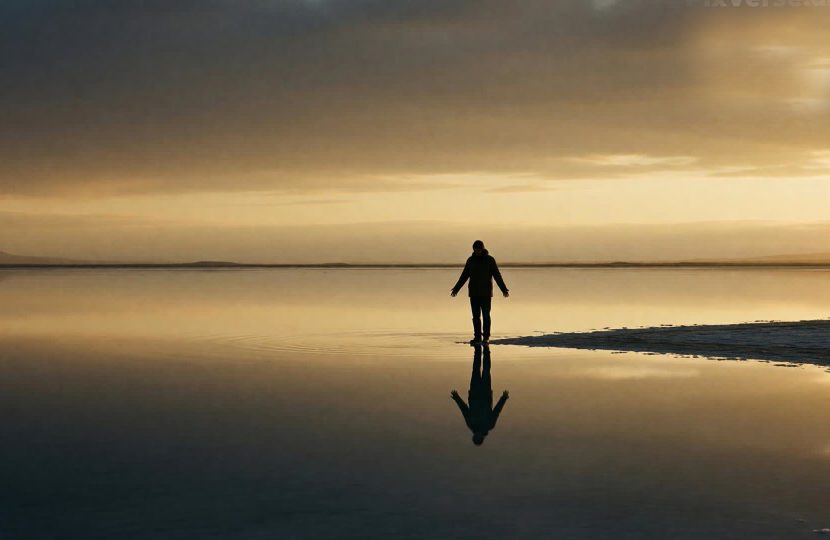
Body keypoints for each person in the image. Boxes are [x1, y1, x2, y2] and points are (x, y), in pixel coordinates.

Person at [450, 240, 509, 345]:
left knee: (486, 315)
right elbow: (464, 276)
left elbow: (497, 275)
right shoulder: (471, 260)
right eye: (475, 249)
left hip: (486, 294)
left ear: (482, 249)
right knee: (476, 316)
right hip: (474, 294)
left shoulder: (490, 260)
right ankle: (477, 337)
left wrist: (504, 289)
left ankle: (486, 337)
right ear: (473, 249)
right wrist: (456, 289)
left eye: (479, 249)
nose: (477, 251)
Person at [451, 343, 509, 446]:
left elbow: (464, 409)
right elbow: (496, 411)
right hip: (485, 393)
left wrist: (456, 398)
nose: (477, 435)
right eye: (478, 437)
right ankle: (486, 350)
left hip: (474, 392)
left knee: (475, 370)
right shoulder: (489, 425)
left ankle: (477, 350)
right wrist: (503, 398)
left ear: (473, 436)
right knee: (486, 371)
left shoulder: (471, 424)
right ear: (482, 437)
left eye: (475, 437)